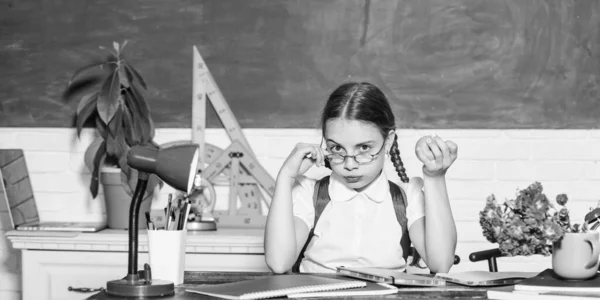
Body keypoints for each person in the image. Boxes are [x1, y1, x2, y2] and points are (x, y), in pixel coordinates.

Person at [264, 82, 458, 274]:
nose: (349, 165)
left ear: (388, 141)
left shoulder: (406, 197)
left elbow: (440, 264)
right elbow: (279, 263)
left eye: (364, 148)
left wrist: (434, 178)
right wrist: (286, 176)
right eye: (337, 148)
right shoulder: (309, 193)